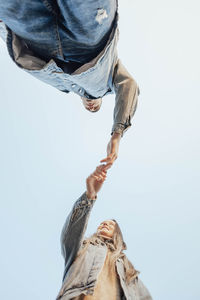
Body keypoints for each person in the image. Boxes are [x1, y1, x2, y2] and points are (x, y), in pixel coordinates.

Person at [0, 1, 139, 168]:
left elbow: (21, 48)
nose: (91, 106)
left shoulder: (62, 86)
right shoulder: (107, 81)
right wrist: (116, 135)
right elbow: (129, 85)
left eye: (90, 109)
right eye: (96, 107)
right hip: (91, 41)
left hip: (39, 37)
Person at [56, 165, 153, 299]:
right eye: (102, 223)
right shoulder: (85, 246)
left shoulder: (127, 267)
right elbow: (70, 235)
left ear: (117, 234)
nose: (105, 224)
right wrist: (89, 195)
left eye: (111, 224)